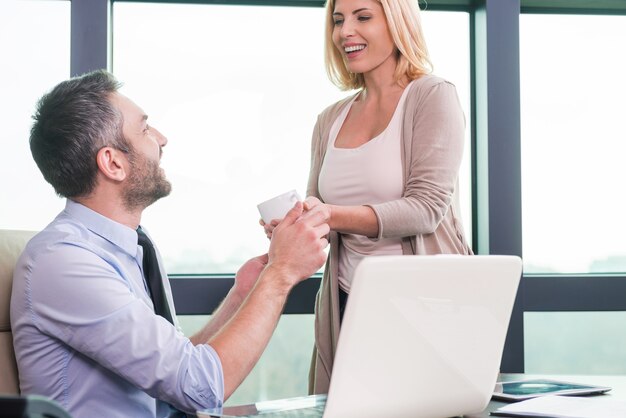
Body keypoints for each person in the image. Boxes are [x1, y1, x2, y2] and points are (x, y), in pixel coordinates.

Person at [10, 70, 330, 418]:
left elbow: (177, 373)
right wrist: (281, 273)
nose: (161, 139)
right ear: (113, 163)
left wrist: (244, 294)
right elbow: (200, 388)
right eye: (145, 129)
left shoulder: (128, 248)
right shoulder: (64, 263)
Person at [262, 0, 472, 394]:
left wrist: (329, 214)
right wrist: (296, 225)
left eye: (363, 17)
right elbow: (320, 211)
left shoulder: (432, 95)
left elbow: (426, 209)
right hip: (347, 304)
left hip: (423, 307)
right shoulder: (330, 119)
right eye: (338, 21)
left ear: (397, 22)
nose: (344, 32)